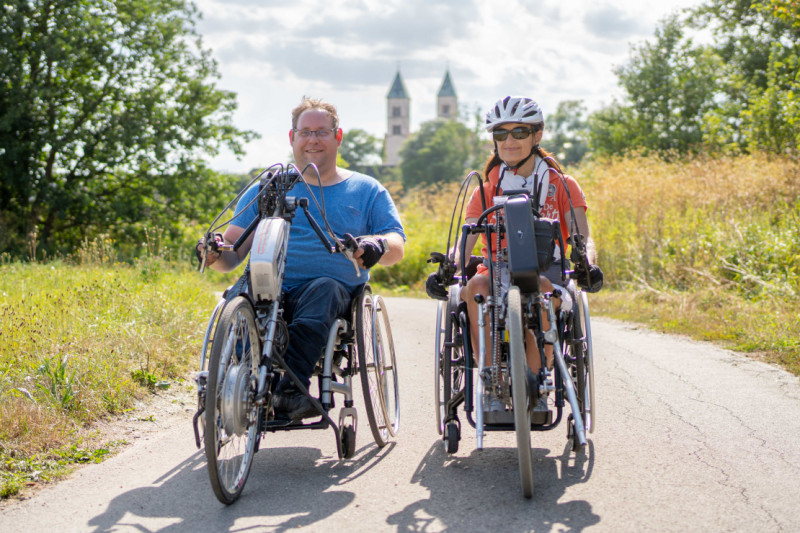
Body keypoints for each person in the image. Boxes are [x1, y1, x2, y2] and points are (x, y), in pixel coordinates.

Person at [198, 96, 406, 420]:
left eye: (321, 132)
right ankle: (232, 388)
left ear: (337, 137)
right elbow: (231, 253)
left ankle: (289, 393)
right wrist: (213, 251)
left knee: (323, 290)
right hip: (266, 284)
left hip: (328, 290)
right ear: (292, 137)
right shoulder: (268, 188)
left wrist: (377, 245)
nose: (312, 140)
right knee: (240, 298)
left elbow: (396, 244)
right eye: (305, 132)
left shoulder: (367, 189)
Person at [428, 95, 602, 412]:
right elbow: (467, 236)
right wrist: (449, 263)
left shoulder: (561, 184)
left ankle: (538, 385)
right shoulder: (486, 187)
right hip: (494, 270)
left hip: (547, 270)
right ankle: (491, 383)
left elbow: (582, 235)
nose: (509, 141)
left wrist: (587, 262)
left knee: (542, 292)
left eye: (519, 132)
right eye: (501, 134)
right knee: (475, 289)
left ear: (537, 136)